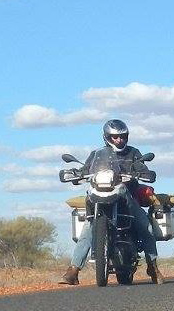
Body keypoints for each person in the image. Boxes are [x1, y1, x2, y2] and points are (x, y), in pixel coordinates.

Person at [60, 119, 164, 285]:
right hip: (101, 193)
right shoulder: (96, 154)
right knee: (88, 227)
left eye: (122, 136)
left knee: (146, 226)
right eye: (115, 137)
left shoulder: (133, 153)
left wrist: (143, 173)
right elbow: (86, 170)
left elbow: (142, 168)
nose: (119, 140)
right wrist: (76, 173)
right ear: (107, 137)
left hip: (126, 195)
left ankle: (153, 266)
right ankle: (73, 270)